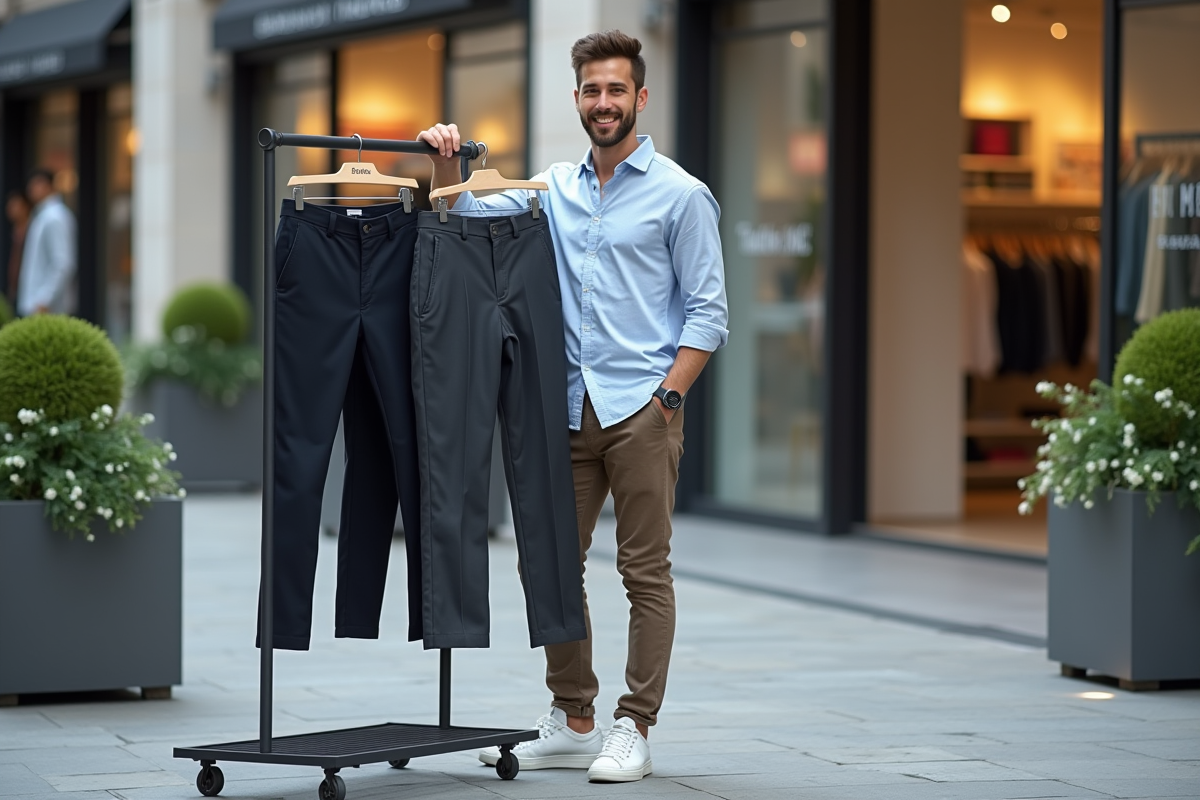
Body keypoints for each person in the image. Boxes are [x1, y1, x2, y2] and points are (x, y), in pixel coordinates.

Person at [418, 29, 728, 784]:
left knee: (643, 572)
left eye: (616, 89)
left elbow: (708, 314)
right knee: (549, 562)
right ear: (578, 99)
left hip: (642, 411)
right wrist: (442, 165)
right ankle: (574, 712)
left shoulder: (682, 196)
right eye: (591, 90)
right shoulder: (549, 190)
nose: (604, 102)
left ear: (640, 98)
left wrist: (666, 399)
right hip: (562, 408)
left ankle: (635, 726)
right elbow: (463, 226)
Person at [17, 168, 76, 316]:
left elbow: (62, 263)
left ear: (48, 186)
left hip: (47, 309)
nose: (30, 190)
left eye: (35, 185)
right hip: (38, 305)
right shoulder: (43, 215)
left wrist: (44, 300)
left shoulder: (54, 217)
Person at [5, 189, 31, 307]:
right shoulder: (12, 231)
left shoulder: (34, 229)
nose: (12, 210)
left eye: (16, 205)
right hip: (15, 287)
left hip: (30, 287)